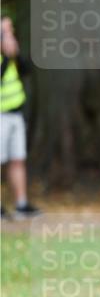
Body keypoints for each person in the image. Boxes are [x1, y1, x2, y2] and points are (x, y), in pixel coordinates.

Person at [1, 16, 41, 218]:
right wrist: (7, 56)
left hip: (16, 114)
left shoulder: (11, 54)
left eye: (11, 30)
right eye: (5, 31)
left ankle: (21, 203)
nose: (9, 35)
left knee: (17, 159)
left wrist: (14, 55)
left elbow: (26, 71)